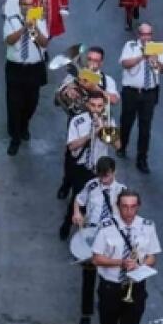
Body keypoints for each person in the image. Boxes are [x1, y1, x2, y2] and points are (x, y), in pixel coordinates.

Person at [90, 189, 161, 324]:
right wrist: (120, 263)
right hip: (111, 288)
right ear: (118, 207)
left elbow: (152, 256)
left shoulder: (147, 226)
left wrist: (141, 265)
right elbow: (96, 258)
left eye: (133, 207)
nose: (128, 212)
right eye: (124, 207)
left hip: (136, 288)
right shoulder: (106, 226)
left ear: (138, 207)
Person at [71, 155, 123, 324]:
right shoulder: (92, 185)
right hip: (92, 235)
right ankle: (86, 315)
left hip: (110, 238)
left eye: (107, 175)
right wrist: (77, 212)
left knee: (108, 276)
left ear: (114, 172)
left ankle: (105, 307)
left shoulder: (122, 192)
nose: (103, 179)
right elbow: (79, 199)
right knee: (88, 277)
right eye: (101, 175)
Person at [61, 87, 116, 235]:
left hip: (99, 169)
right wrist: (89, 135)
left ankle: (87, 231)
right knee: (77, 198)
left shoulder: (108, 121)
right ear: (87, 104)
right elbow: (72, 146)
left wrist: (104, 130)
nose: (96, 110)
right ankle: (67, 223)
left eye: (99, 106)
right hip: (82, 168)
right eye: (93, 105)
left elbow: (117, 145)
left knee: (95, 201)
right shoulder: (77, 121)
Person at [118, 21, 163, 173]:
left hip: (149, 92)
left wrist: (156, 61)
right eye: (144, 34)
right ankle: (122, 145)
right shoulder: (130, 46)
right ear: (139, 35)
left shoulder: (157, 48)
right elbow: (125, 63)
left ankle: (142, 159)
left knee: (145, 127)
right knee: (126, 121)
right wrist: (142, 57)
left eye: (149, 34)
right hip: (132, 91)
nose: (146, 37)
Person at [2, 0, 46, 155]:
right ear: (19, 5)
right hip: (16, 68)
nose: (27, 7)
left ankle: (24, 124)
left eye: (30, 4)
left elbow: (44, 43)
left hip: (33, 69)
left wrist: (34, 28)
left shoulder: (39, 20)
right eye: (24, 4)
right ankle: (15, 138)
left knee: (31, 103)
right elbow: (9, 41)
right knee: (14, 104)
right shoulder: (11, 20)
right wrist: (22, 29)